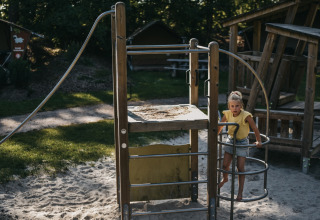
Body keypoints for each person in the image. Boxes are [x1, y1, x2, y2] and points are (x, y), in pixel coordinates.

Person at [218, 91, 262, 201]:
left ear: (241, 106)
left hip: (242, 142)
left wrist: (258, 141)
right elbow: (220, 126)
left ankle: (240, 193)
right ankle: (225, 179)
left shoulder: (246, 115)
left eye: (237, 106)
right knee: (225, 164)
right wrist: (215, 135)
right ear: (229, 106)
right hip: (231, 140)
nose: (234, 108)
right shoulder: (227, 114)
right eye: (232, 106)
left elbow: (255, 128)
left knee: (240, 168)